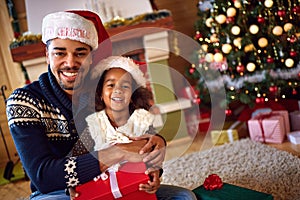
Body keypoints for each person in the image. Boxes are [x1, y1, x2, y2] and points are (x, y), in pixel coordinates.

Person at [5, 10, 197, 200]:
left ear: (91, 57)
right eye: (59, 53)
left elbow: (140, 133)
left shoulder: (107, 89)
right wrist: (116, 152)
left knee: (183, 197)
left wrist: (154, 159)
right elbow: (42, 177)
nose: (70, 63)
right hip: (58, 194)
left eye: (80, 53)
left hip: (115, 181)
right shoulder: (24, 101)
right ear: (47, 55)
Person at [71, 55, 161, 196]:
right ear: (100, 92)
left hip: (137, 190)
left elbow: (154, 155)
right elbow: (75, 160)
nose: (118, 90)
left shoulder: (141, 121)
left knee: (184, 196)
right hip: (104, 192)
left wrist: (155, 172)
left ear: (132, 94)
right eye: (111, 85)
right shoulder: (94, 125)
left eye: (125, 85)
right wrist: (71, 185)